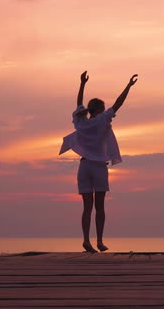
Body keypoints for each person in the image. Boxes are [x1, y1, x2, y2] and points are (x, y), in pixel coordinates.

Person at [59, 70, 138, 253]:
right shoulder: (103, 120)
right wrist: (128, 85)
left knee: (87, 207)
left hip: (84, 166)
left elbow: (79, 103)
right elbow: (119, 103)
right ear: (101, 110)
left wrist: (82, 83)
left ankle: (86, 241)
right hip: (98, 167)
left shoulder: (81, 122)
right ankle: (100, 241)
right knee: (99, 207)